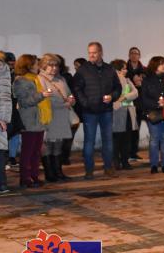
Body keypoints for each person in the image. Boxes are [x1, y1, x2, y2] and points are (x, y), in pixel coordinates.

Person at [73, 42, 122, 179]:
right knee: (89, 141)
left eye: (94, 52)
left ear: (101, 52)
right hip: (89, 111)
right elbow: (77, 88)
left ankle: (108, 167)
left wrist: (112, 97)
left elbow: (118, 87)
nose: (91, 55)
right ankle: (89, 170)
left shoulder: (109, 69)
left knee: (108, 140)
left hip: (106, 110)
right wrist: (85, 103)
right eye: (89, 53)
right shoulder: (83, 70)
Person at [13, 54, 53, 187]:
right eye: (36, 64)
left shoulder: (36, 79)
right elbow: (24, 102)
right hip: (29, 121)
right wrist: (42, 95)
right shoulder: (21, 81)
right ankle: (25, 179)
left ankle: (34, 176)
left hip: (38, 120)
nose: (38, 66)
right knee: (27, 151)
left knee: (36, 151)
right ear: (28, 65)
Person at [38, 53, 75, 182]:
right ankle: (49, 174)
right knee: (48, 145)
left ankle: (59, 172)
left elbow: (70, 94)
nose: (54, 68)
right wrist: (64, 104)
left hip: (62, 117)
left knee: (59, 144)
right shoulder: (40, 79)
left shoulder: (61, 79)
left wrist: (71, 100)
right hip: (50, 117)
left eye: (56, 65)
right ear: (44, 65)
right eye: (51, 65)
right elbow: (43, 99)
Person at [141, 56, 164, 174]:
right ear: (155, 66)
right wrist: (157, 104)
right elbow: (144, 98)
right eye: (161, 64)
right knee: (154, 140)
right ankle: (154, 165)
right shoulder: (147, 80)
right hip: (154, 114)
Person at [111, 59, 138, 171]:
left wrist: (125, 97)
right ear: (118, 69)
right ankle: (115, 161)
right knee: (116, 138)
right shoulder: (112, 80)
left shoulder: (127, 80)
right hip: (117, 112)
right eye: (124, 68)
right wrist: (124, 97)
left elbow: (135, 92)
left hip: (128, 111)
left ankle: (125, 161)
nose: (126, 70)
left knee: (126, 138)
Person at [0, 52, 12, 193]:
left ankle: (1, 183)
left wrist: (2, 116)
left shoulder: (1, 68)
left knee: (0, 151)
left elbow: (4, 94)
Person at [129, 70, 146, 161]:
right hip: (132, 112)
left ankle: (134, 152)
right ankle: (130, 153)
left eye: (140, 77)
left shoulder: (143, 87)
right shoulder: (131, 88)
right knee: (132, 133)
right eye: (136, 77)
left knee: (136, 133)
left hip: (140, 113)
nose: (139, 78)